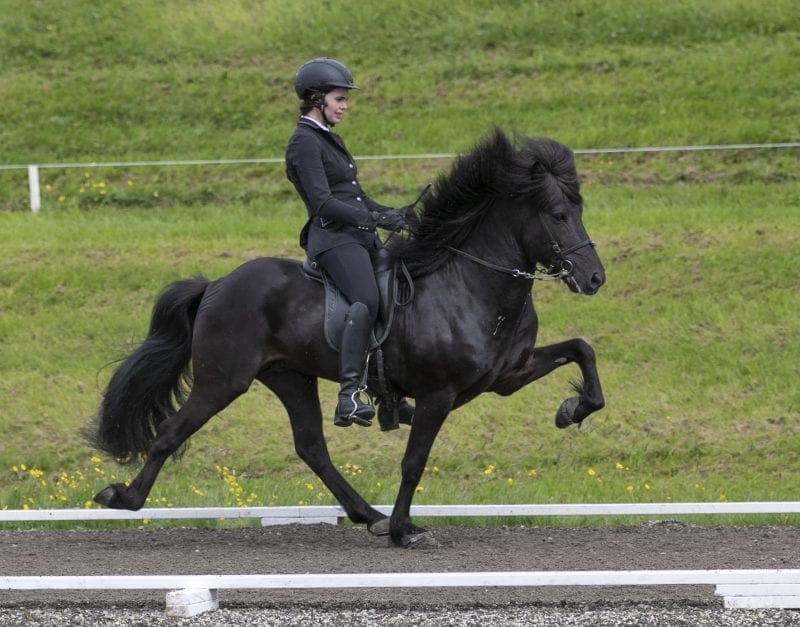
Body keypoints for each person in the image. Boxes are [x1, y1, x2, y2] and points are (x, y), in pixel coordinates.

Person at [285, 57, 410, 428]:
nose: (345, 106)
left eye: (345, 100)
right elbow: (324, 202)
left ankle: (389, 395)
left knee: (399, 291)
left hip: (357, 236)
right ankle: (349, 394)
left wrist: (393, 213)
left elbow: (356, 197)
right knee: (367, 298)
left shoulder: (329, 139)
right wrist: (371, 219)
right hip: (333, 239)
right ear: (316, 98)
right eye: (339, 99)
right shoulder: (303, 143)